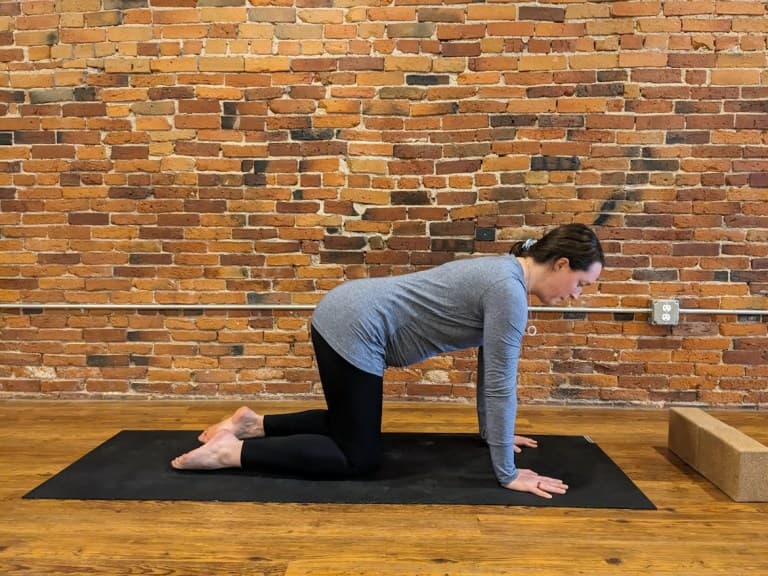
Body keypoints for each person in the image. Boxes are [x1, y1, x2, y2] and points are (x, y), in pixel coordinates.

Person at [171, 223, 604, 499]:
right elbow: (500, 385)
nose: (576, 295)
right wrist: (507, 473)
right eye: (581, 283)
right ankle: (233, 452)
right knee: (357, 457)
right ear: (561, 264)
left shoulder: (504, 274)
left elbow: (490, 367)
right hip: (355, 324)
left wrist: (494, 435)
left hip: (346, 311)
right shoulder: (508, 291)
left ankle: (253, 424)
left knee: (350, 425)